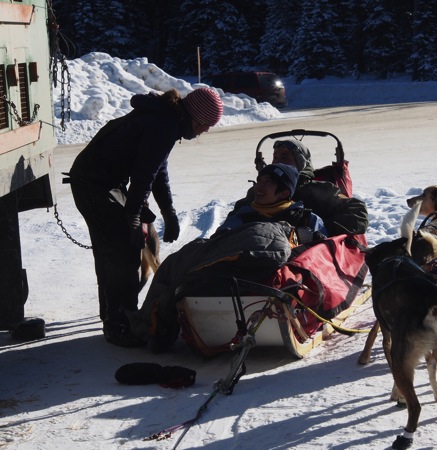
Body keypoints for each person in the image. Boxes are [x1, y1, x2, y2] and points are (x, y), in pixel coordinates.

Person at [66, 87, 224, 347]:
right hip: (94, 183)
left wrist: (168, 211)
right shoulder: (164, 124)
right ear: (195, 117)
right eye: (205, 125)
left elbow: (157, 169)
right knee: (121, 251)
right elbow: (144, 175)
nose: (204, 131)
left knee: (115, 248)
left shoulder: (166, 118)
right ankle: (119, 325)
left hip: (101, 180)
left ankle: (113, 315)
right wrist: (133, 216)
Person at [128, 163, 327, 352]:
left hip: (272, 279)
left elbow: (320, 257)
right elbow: (219, 246)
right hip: (229, 274)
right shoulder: (242, 216)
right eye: (259, 180)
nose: (259, 186)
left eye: (268, 182)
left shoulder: (306, 219)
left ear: (284, 192)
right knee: (176, 264)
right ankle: (153, 324)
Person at [229, 138, 369, 236]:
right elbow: (235, 217)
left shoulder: (320, 190)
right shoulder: (258, 192)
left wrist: (320, 231)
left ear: (300, 163)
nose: (277, 162)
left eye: (284, 157)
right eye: (275, 157)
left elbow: (357, 210)